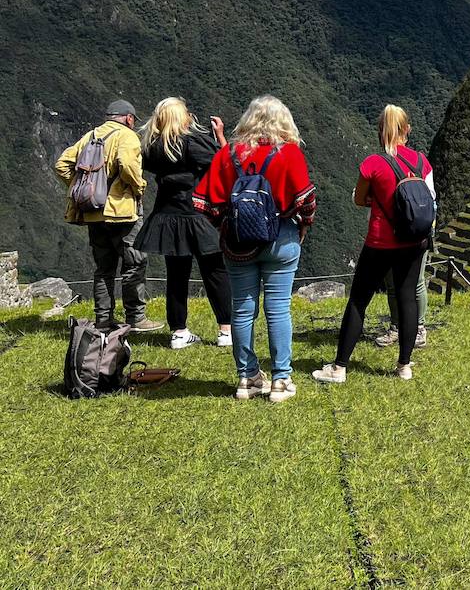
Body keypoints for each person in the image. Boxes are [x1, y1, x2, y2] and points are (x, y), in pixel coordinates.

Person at [194, 95, 316, 402]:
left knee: (242, 309)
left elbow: (203, 202)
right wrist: (303, 224)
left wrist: (223, 226)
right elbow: (306, 200)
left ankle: (247, 379)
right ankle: (280, 380)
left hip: (238, 245)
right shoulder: (289, 153)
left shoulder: (228, 153)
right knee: (277, 309)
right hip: (281, 239)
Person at [314, 104, 433, 385]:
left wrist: (376, 199)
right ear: (407, 130)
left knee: (358, 300)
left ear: (381, 131)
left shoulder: (373, 163)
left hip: (381, 241)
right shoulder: (421, 161)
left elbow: (359, 199)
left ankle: (339, 367)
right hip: (414, 241)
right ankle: (404, 366)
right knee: (407, 299)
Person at [54, 100, 161, 333]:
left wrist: (82, 188)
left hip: (93, 211)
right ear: (129, 119)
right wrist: (138, 186)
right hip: (122, 212)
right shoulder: (128, 136)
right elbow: (127, 164)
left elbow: (62, 164)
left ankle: (104, 320)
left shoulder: (91, 135)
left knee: (104, 267)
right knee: (134, 263)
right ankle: (136, 317)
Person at [134, 97, 232, 349]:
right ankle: (226, 329)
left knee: (176, 275)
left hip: (167, 215)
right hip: (197, 214)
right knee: (214, 271)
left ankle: (179, 331)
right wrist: (219, 135)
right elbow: (224, 165)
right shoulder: (192, 142)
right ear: (180, 116)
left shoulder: (153, 147)